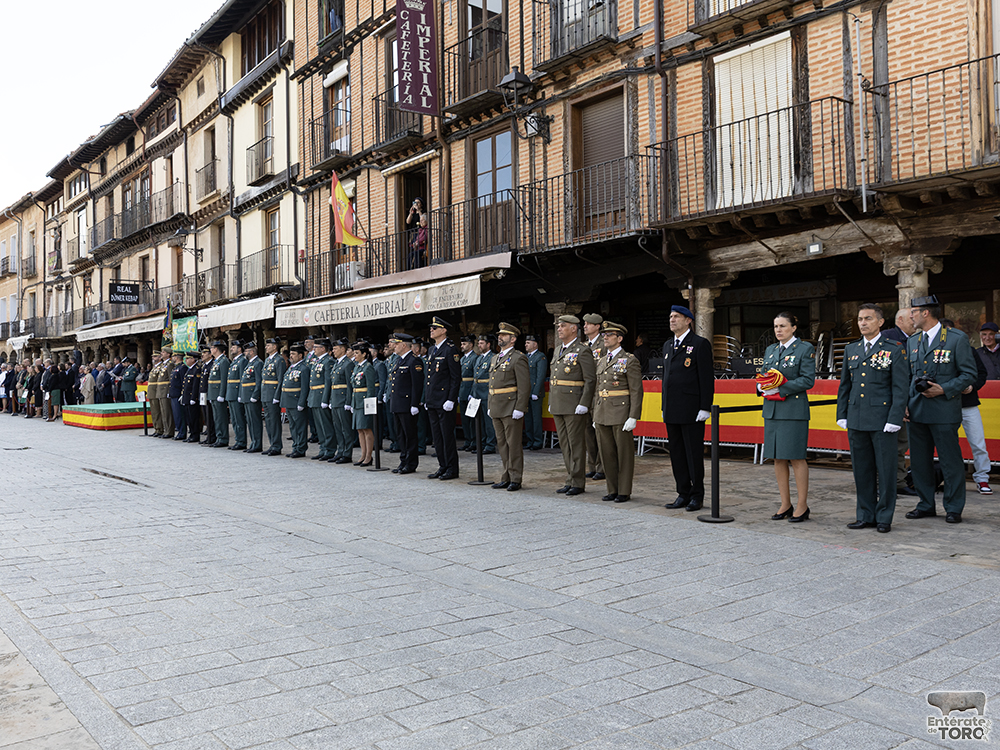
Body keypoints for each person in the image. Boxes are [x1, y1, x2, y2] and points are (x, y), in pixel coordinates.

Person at [836, 303, 909, 533]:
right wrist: (842, 413)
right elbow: (845, 386)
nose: (863, 323)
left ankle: (884, 516)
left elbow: (900, 387)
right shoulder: (852, 349)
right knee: (862, 469)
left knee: (886, 471)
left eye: (868, 318)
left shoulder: (894, 349)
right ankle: (865, 514)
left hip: (882, 419)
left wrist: (895, 418)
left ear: (880, 322)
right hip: (857, 417)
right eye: (860, 319)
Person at [904, 298, 978, 523]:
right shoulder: (913, 341)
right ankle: (925, 504)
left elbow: (969, 374)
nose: (911, 317)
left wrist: (943, 389)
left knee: (950, 460)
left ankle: (954, 507)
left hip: (944, 410)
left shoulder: (956, 339)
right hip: (917, 410)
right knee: (919, 461)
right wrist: (905, 403)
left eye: (914, 312)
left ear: (926, 313)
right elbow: (909, 375)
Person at [759, 312, 816, 522]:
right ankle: (785, 503)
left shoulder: (804, 349)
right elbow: (765, 374)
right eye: (775, 326)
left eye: (783, 326)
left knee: (796, 457)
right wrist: (761, 386)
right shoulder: (771, 350)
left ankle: (802, 505)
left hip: (793, 410)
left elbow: (808, 380)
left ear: (793, 328)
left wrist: (781, 388)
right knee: (777, 457)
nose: (778, 330)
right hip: (772, 410)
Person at [660, 305, 714, 512]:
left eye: (677, 317)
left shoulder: (699, 344)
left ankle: (696, 495)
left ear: (688, 320)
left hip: (692, 409)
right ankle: (682, 492)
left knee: (693, 453)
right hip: (672, 408)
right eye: (671, 316)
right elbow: (667, 379)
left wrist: (704, 407)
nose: (672, 320)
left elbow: (706, 378)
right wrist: (664, 405)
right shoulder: (667, 346)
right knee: (677, 453)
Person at [593, 322, 644, 503]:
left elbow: (636, 390)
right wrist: (594, 413)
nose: (605, 337)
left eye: (609, 334)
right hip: (602, 412)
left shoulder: (629, 360)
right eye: (604, 335)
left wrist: (633, 416)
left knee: (623, 454)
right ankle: (612, 489)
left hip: (621, 412)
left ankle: (624, 491)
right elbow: (597, 389)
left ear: (619, 338)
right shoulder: (601, 360)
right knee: (606, 454)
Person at [940, 320, 991, 496]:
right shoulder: (933, 352)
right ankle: (948, 479)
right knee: (945, 446)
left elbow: (981, 373)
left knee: (978, 442)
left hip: (968, 404)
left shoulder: (968, 350)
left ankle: (982, 477)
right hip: (944, 404)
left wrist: (972, 387)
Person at [549, 315, 597, 496]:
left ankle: (578, 481)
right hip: (559, 404)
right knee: (564, 444)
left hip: (574, 403)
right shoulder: (559, 350)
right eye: (558, 326)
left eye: (563, 326)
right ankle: (570, 478)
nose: (559, 329)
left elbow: (590, 379)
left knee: (576, 444)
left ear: (574, 329)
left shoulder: (582, 350)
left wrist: (585, 403)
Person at [488, 323, 530, 491]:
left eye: (504, 335)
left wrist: (520, 407)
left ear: (513, 339)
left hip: (510, 406)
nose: (500, 337)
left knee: (513, 444)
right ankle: (506, 475)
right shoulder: (495, 358)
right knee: (502, 444)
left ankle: (516, 477)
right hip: (497, 406)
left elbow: (524, 385)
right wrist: (490, 404)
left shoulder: (518, 358)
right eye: (499, 335)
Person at [882, 306, 917, 496]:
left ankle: (899, 481)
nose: (915, 322)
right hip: (891, 401)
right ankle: (890, 483)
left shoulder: (914, 340)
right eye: (911, 319)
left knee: (902, 444)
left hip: (906, 397)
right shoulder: (889, 337)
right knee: (891, 444)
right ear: (900, 320)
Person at [424, 317, 461, 480]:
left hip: (444, 400)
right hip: (433, 399)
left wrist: (451, 399)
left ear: (443, 330)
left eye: (435, 328)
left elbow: (455, 377)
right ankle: (442, 465)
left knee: (447, 436)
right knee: (437, 437)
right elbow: (430, 377)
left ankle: (452, 468)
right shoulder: (432, 350)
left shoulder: (450, 349)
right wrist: (427, 398)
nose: (431, 330)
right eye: (431, 328)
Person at [388, 333, 423, 474]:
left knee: (410, 435)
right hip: (398, 403)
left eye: (396, 344)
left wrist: (415, 404)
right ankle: (403, 460)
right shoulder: (399, 360)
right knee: (400, 435)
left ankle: (411, 463)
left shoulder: (414, 361)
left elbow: (417, 385)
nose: (394, 347)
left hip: (407, 404)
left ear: (403, 345)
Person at [582, 313, 605, 480]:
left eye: (589, 324)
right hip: (585, 393)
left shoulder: (604, 344)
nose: (585, 326)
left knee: (600, 432)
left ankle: (602, 466)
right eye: (585, 324)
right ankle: (592, 464)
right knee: (587, 432)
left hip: (598, 392)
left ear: (597, 326)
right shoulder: (583, 346)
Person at [350, 341, 377, 467]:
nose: (354, 355)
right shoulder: (357, 367)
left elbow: (371, 388)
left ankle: (368, 456)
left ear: (364, 354)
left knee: (366, 429)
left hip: (365, 401)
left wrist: (370, 404)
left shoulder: (368, 367)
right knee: (360, 429)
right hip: (356, 401)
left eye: (357, 353)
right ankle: (363, 454)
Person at [308, 338, 336, 461]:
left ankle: (329, 449)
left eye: (316, 347)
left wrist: (325, 399)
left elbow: (328, 381)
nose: (313, 349)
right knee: (319, 425)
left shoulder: (328, 361)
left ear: (323, 349)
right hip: (314, 395)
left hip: (321, 395)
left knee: (326, 425)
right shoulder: (317, 361)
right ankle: (323, 448)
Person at [329, 339, 355, 464]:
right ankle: (340, 451)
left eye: (336, 348)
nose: (333, 351)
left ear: (343, 349)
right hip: (335, 399)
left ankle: (347, 453)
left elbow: (350, 386)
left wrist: (349, 402)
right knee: (338, 428)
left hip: (343, 399)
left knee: (346, 429)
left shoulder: (348, 363)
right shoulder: (337, 363)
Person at [282, 343, 310, 458]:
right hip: (288, 401)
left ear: (300, 356)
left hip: (296, 401)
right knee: (293, 427)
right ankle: (295, 446)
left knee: (300, 427)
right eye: (290, 354)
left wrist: (302, 402)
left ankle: (301, 448)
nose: (291, 356)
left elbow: (304, 387)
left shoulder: (303, 368)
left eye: (293, 354)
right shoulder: (291, 367)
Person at [261, 338, 287, 456]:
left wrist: (277, 396)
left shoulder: (279, 360)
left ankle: (276, 446)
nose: (266, 347)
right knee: (268, 421)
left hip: (272, 394)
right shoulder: (267, 360)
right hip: (265, 393)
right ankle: (272, 444)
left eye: (269, 345)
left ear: (275, 347)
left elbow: (280, 379)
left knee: (274, 421)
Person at [472, 335, 497, 454]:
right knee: (479, 421)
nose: (479, 345)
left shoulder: (492, 357)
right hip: (477, 392)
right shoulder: (479, 358)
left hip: (487, 392)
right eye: (479, 343)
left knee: (488, 422)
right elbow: (475, 377)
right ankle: (481, 443)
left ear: (488, 345)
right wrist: (472, 393)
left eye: (482, 343)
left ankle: (490, 444)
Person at [524, 335, 547, 451]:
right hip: (526, 392)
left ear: (535, 344)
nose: (526, 345)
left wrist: (536, 391)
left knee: (536, 418)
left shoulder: (540, 357)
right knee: (528, 418)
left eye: (528, 342)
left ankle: (537, 441)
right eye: (526, 343)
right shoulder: (525, 357)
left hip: (535, 392)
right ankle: (530, 440)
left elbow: (540, 376)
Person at [240, 341, 264, 453]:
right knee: (250, 421)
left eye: (247, 351)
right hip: (246, 396)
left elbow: (259, 381)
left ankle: (257, 444)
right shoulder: (249, 363)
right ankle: (253, 442)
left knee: (255, 421)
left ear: (252, 351)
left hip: (252, 396)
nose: (245, 353)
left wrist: (255, 395)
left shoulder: (258, 363)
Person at [207, 340, 231, 448]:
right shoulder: (216, 361)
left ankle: (223, 438)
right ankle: (219, 437)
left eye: (211, 348)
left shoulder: (223, 361)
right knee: (216, 417)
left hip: (218, 393)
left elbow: (224, 379)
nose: (210, 350)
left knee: (221, 417)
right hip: (213, 393)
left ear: (216, 349)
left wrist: (222, 394)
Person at [225, 340, 247, 450]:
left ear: (240, 349)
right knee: (234, 419)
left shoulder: (242, 361)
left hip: (237, 392)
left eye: (234, 347)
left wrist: (240, 394)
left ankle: (241, 441)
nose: (231, 348)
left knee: (239, 418)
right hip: (231, 393)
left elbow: (242, 379)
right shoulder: (235, 361)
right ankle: (238, 439)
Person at [457, 336, 477, 451]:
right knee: (465, 419)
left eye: (464, 344)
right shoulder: (462, 358)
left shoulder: (474, 358)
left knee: (471, 420)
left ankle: (474, 441)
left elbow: (475, 377)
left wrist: (472, 392)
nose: (462, 346)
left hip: (470, 390)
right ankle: (467, 440)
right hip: (463, 390)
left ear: (470, 345)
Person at [182, 351, 202, 442]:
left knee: (194, 417)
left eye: (188, 358)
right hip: (187, 397)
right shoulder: (189, 369)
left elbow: (195, 385)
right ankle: (191, 434)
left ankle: (195, 435)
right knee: (189, 417)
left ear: (193, 359)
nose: (186, 360)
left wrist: (194, 398)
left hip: (192, 398)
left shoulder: (197, 369)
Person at [168, 350, 188, 440]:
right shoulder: (176, 367)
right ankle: (179, 431)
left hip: (178, 394)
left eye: (173, 356)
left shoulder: (182, 368)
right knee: (176, 414)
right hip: (174, 394)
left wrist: (182, 394)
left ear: (176, 357)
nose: (172, 358)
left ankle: (182, 432)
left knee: (180, 415)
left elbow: (183, 382)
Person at [199, 346, 215, 445]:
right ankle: (209, 435)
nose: (202, 355)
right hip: (203, 394)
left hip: (209, 394)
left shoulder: (212, 365)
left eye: (205, 353)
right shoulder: (204, 366)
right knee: (206, 416)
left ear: (210, 354)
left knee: (210, 416)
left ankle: (212, 436)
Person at [407, 198, 428, 269]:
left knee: (417, 252)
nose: (416, 204)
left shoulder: (423, 212)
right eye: (414, 202)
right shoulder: (413, 212)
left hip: (420, 232)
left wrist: (418, 210)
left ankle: (417, 266)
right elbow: (408, 222)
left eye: (418, 203)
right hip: (414, 234)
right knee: (412, 251)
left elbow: (422, 218)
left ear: (421, 204)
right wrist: (410, 213)